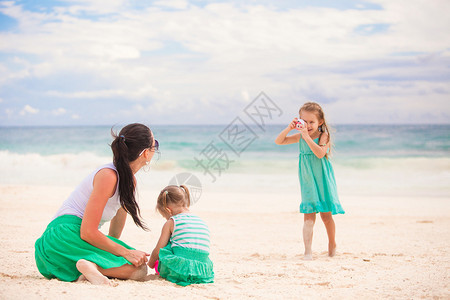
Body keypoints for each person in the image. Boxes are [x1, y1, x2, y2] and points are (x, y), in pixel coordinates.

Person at [35, 123, 159, 285]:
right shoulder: (108, 176)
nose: (155, 149)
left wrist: (111, 253)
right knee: (138, 268)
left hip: (75, 236)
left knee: (138, 267)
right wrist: (124, 253)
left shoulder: (129, 181)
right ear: (145, 154)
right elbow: (87, 232)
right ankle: (93, 267)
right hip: (61, 237)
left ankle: (87, 269)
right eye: (154, 145)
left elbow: (117, 222)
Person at [275, 102, 344, 260]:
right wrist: (289, 128)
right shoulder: (300, 136)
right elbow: (279, 141)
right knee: (308, 215)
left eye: (311, 122)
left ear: (320, 122)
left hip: (322, 179)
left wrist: (306, 136)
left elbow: (320, 153)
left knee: (326, 216)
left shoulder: (323, 135)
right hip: (307, 179)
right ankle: (308, 251)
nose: (307, 125)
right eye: (304, 121)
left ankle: (332, 244)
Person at [147, 185, 214, 286]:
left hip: (180, 271)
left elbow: (158, 249)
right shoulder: (201, 221)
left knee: (167, 246)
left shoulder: (172, 221)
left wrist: (151, 263)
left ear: (168, 210)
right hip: (202, 271)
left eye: (164, 215)